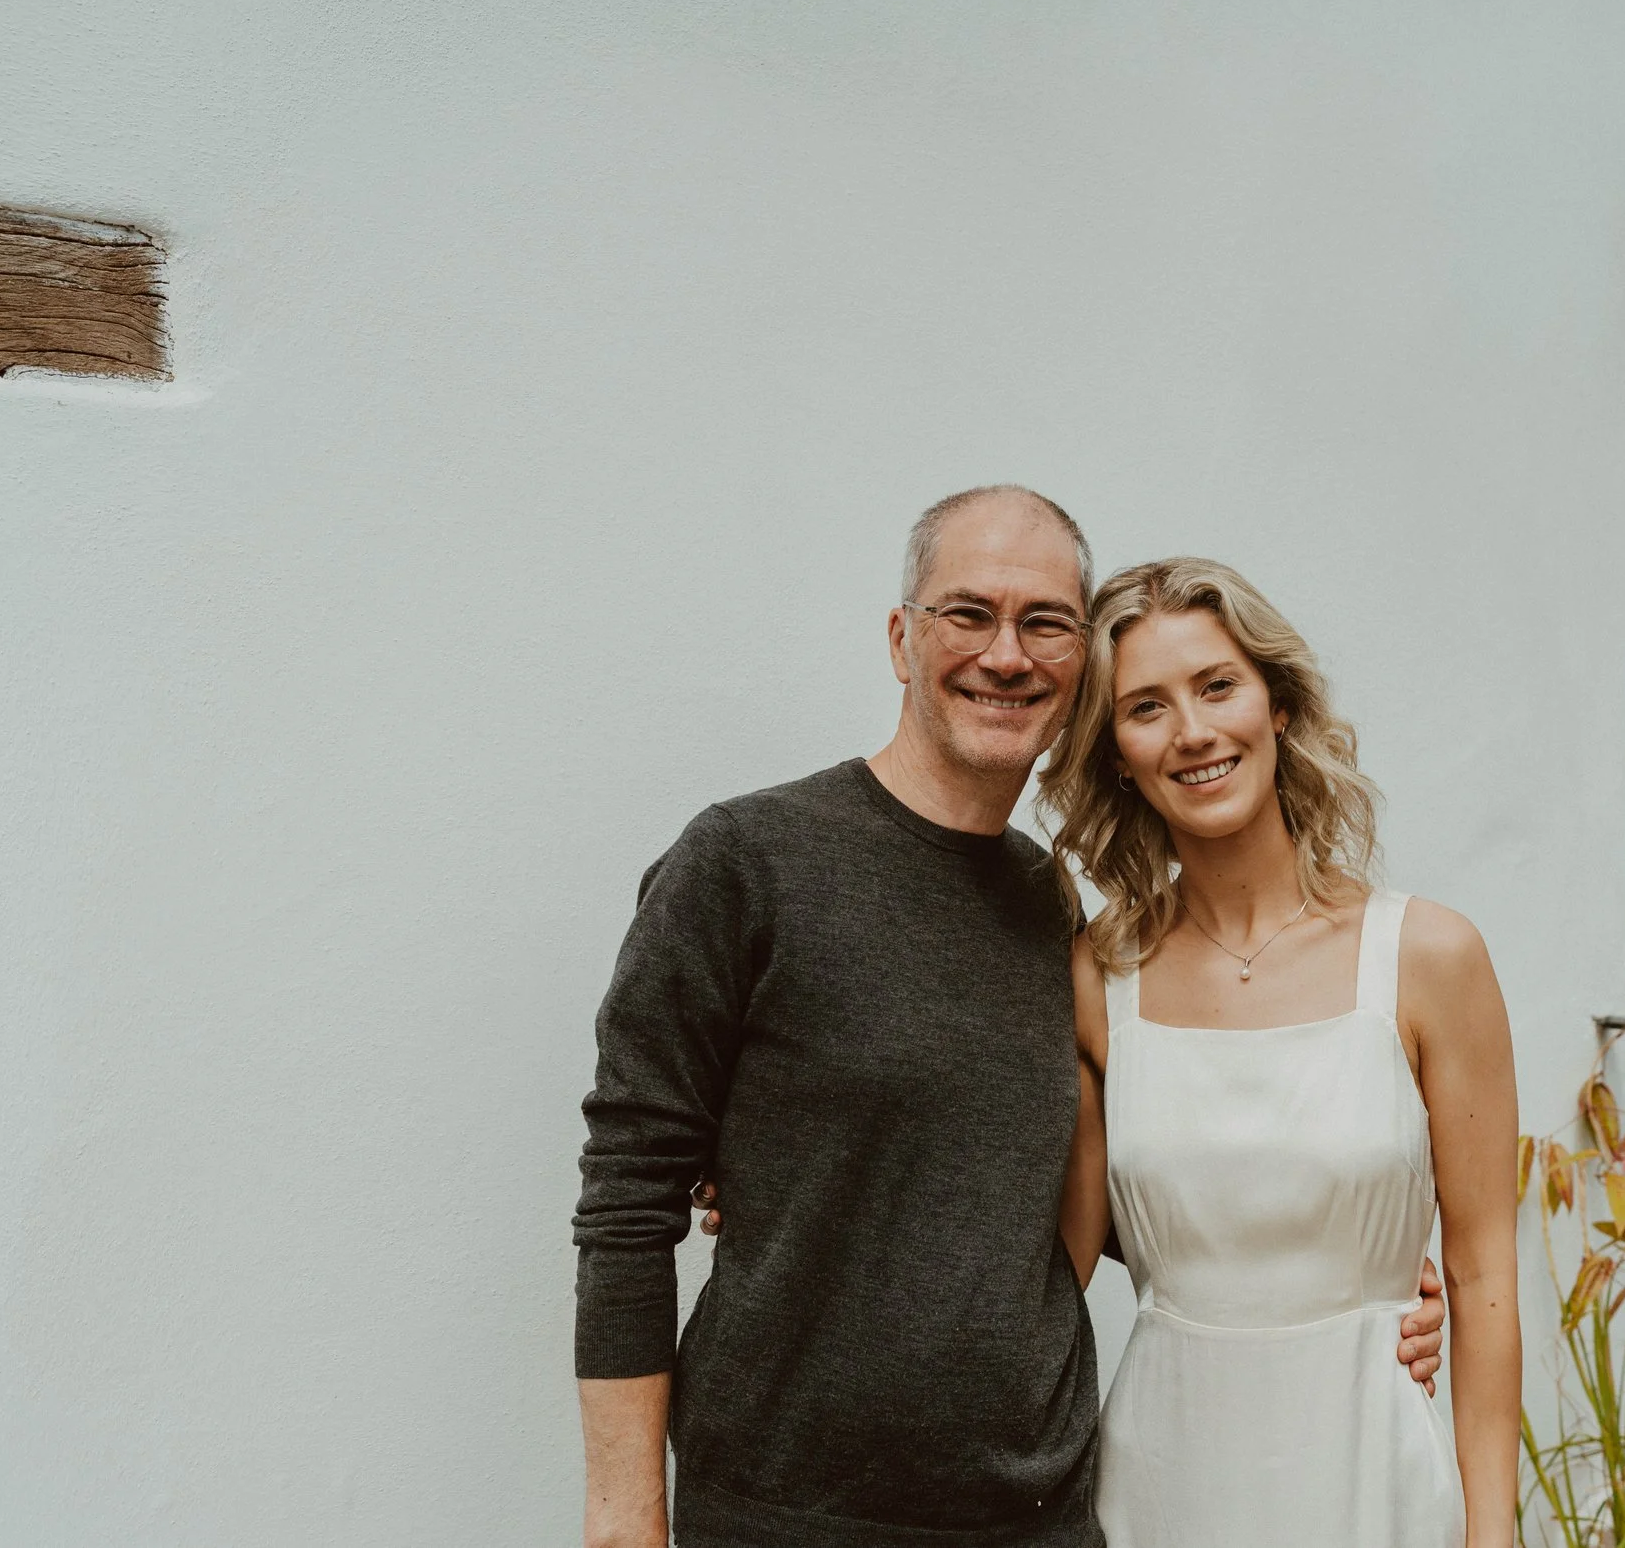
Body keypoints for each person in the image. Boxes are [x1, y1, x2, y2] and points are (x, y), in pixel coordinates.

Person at [571, 487, 1445, 1548]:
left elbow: (1099, 1181)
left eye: (1044, 622)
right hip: (787, 1514)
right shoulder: (746, 863)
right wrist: (624, 1519)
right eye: (966, 613)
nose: (1005, 653)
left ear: (1080, 668)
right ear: (902, 638)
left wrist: (1336, 1255)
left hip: (1038, 1512)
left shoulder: (1056, 912)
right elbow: (628, 1196)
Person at [1045, 557, 1523, 1548]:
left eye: (1217, 685)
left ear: (1281, 706)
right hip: (1163, 1474)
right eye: (1146, 707)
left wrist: (1494, 1530)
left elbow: (1481, 1269)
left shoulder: (1428, 955)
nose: (1192, 731)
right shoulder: (1095, 977)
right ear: (1117, 756)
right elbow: (1048, 1253)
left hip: (1370, 1468)